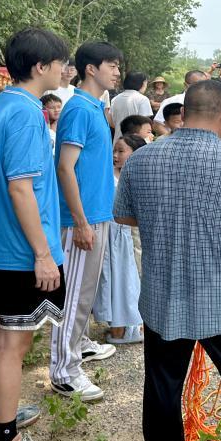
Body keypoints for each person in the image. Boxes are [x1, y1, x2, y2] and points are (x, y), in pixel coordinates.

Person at [113, 80, 221, 441]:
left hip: (164, 299)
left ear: (184, 113)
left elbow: (124, 216)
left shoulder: (141, 159)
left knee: (162, 389)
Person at [0, 28, 69, 441]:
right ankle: (6, 438)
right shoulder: (28, 113)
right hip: (21, 252)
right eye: (60, 63)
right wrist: (43, 254)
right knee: (13, 343)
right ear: (40, 66)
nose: (63, 70)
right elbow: (20, 188)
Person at [50, 41, 122, 402]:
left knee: (85, 292)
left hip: (96, 213)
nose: (117, 72)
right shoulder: (79, 109)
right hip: (83, 218)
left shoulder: (94, 107)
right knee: (74, 295)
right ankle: (64, 371)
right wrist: (79, 222)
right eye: (111, 65)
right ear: (91, 69)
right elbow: (65, 168)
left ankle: (77, 345)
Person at [94, 133, 146, 345]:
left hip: (124, 236)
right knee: (114, 278)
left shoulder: (136, 177)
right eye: (114, 150)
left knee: (126, 279)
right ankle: (120, 326)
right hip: (113, 234)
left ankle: (128, 327)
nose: (115, 155)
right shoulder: (111, 175)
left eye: (121, 151)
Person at [152, 70, 208, 136]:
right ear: (186, 85)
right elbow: (157, 124)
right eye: (197, 85)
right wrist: (173, 139)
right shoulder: (171, 102)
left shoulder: (211, 103)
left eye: (206, 85)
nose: (202, 88)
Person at [110, 71, 153, 141]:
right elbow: (145, 126)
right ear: (143, 83)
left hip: (117, 141)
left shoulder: (115, 99)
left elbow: (111, 122)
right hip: (135, 143)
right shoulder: (142, 99)